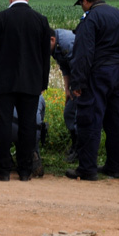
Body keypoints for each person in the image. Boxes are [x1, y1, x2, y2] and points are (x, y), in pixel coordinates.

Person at [0, 0, 51, 182]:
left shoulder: (0, 18)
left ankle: (2, 170)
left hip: (3, 81)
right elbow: (46, 56)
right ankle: (25, 170)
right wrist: (42, 81)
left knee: (3, 122)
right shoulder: (41, 20)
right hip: (31, 83)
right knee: (28, 124)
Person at [66, 0, 119, 181]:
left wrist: (78, 82)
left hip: (99, 73)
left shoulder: (91, 18)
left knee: (90, 118)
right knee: (116, 121)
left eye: (81, 4)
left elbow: (84, 53)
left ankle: (87, 168)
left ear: (85, 1)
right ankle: (114, 167)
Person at [0, 95, 46, 177]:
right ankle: (31, 156)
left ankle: (6, 159)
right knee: (33, 129)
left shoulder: (8, 92)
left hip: (11, 127)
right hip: (32, 132)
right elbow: (41, 122)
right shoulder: (39, 97)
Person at [50, 28, 78, 163]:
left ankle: (79, 150)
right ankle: (76, 146)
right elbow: (65, 67)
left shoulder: (66, 43)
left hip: (86, 79)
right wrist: (67, 89)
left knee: (76, 114)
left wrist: (77, 87)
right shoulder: (54, 46)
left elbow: (79, 65)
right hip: (77, 81)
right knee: (69, 113)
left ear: (52, 40)